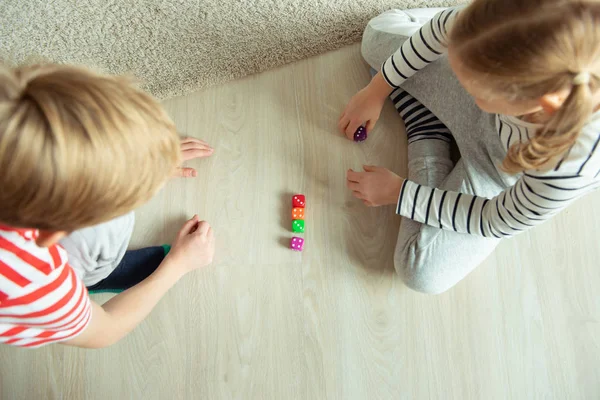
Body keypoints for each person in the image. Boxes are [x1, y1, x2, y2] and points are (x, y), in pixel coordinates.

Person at [339, 0, 600, 294]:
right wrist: (377, 89)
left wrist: (400, 193)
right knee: (377, 35)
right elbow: (439, 30)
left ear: (543, 105)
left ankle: (426, 130)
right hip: (497, 100)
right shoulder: (503, 20)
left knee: (420, 270)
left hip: (499, 171)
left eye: (474, 87)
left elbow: (494, 219)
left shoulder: (569, 168)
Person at [0, 64, 215, 348]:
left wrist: (138, 162)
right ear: (52, 236)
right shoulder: (32, 283)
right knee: (108, 228)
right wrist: (178, 264)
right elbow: (105, 330)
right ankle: (88, 280)